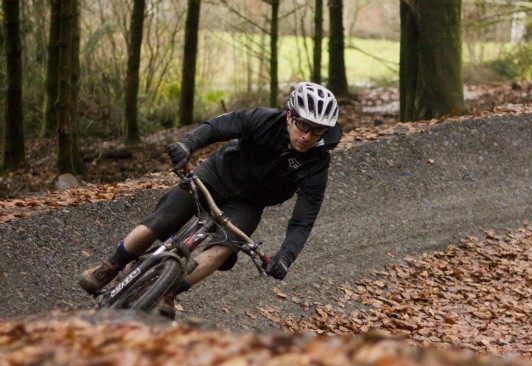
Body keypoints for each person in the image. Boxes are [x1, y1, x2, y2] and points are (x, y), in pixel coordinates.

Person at [79, 82, 342, 318]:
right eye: (303, 126)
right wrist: (187, 145)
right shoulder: (264, 120)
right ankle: (112, 265)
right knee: (163, 219)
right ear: (289, 116)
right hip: (216, 176)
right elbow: (217, 127)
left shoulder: (317, 163)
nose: (307, 136)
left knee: (224, 249)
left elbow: (303, 220)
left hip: (249, 204)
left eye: (317, 131)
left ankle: (170, 289)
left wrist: (285, 256)